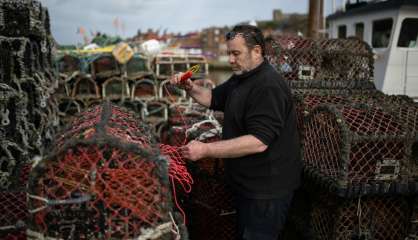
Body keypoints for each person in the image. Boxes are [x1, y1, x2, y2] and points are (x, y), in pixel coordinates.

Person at [170, 24, 302, 240]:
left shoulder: (268, 86)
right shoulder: (241, 77)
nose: (230, 60)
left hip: (266, 192)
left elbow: (258, 141)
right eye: (228, 53)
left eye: (236, 53)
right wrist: (190, 88)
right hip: (245, 185)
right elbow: (212, 98)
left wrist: (205, 149)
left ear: (257, 51)